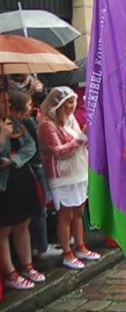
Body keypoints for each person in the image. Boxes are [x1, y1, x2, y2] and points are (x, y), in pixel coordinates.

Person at [38, 87, 100, 270]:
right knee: (66, 215)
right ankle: (67, 252)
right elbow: (58, 151)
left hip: (78, 171)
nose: (72, 106)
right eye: (68, 103)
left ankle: (80, 245)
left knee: (79, 212)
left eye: (73, 102)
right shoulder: (47, 125)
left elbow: (79, 142)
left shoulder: (71, 119)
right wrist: (82, 137)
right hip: (62, 177)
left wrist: (85, 136)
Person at [0, 97, 45, 290]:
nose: (7, 106)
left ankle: (27, 266)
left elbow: (30, 146)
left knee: (23, 223)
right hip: (4, 185)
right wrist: (2, 137)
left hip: (22, 178)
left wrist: (14, 159)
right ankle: (10, 272)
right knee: (5, 228)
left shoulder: (16, 123)